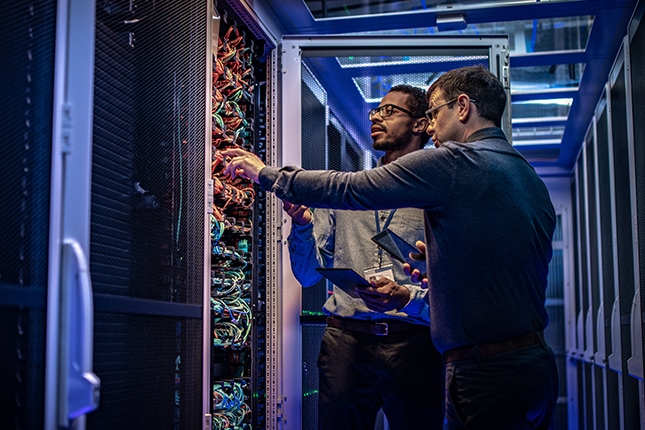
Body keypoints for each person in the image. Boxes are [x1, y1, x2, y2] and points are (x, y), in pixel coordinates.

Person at [222, 65, 559, 429]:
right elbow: (506, 266)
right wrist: (443, 267)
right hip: (528, 362)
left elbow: (350, 190)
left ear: (462, 107)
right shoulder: (525, 176)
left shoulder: (455, 163)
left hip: (477, 367)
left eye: (434, 114)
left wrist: (265, 174)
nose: (432, 127)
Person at [283, 85, 443, 430]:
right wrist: (301, 226)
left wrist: (407, 297)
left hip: (415, 343)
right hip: (346, 342)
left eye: (389, 111)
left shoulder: (437, 193)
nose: (376, 118)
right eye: (375, 111)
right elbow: (309, 275)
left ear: (419, 125)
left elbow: (455, 281)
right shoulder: (347, 190)